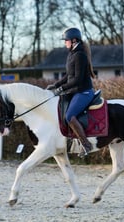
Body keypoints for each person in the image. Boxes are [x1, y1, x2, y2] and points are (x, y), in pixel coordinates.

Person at [46, 27, 96, 157]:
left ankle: (86, 144)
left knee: (69, 116)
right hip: (75, 90)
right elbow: (68, 76)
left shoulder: (80, 55)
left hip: (84, 92)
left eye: (66, 40)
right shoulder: (72, 54)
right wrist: (55, 85)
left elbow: (78, 80)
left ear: (74, 40)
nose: (64, 43)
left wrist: (61, 89)